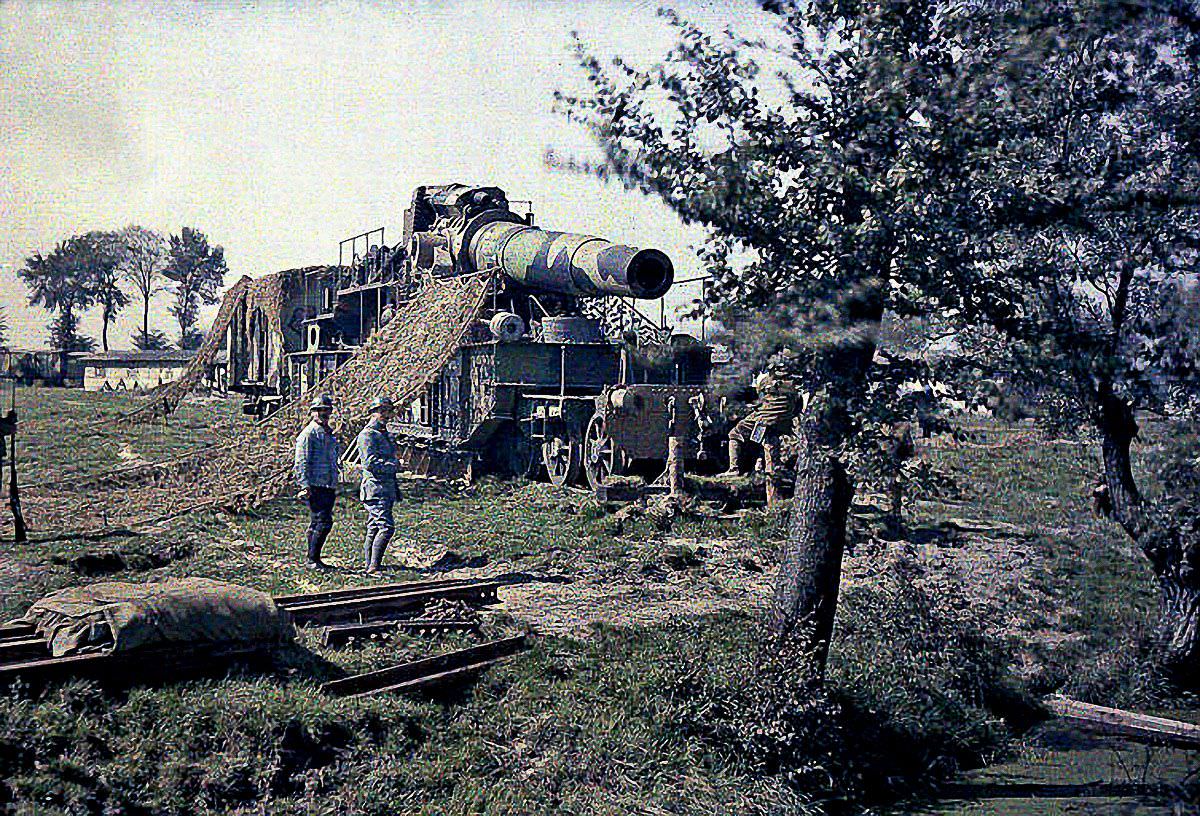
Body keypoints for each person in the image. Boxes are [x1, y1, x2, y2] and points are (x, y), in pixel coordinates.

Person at [294, 393, 340, 570]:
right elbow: (301, 462)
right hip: (315, 484)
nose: (323, 414)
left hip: (328, 483)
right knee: (322, 521)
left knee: (321, 521)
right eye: (319, 410)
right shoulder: (308, 434)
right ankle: (312, 560)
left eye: (326, 410)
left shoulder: (328, 433)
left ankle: (314, 558)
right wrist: (304, 485)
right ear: (312, 412)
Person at [723, 369, 797, 477]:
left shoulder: (765, 379)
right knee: (766, 438)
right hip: (784, 420)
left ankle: (734, 468)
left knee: (735, 433)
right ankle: (765, 468)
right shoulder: (793, 381)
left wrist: (752, 408)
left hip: (764, 419)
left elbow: (763, 401)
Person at [357, 395, 400, 573]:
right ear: (373, 413)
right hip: (375, 488)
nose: (386, 415)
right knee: (386, 527)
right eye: (382, 411)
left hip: (385, 487)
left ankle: (371, 565)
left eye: (388, 411)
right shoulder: (368, 435)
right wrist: (394, 465)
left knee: (374, 527)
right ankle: (373, 567)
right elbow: (370, 463)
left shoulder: (384, 434)